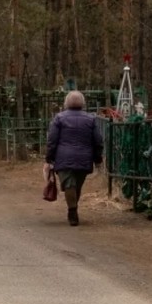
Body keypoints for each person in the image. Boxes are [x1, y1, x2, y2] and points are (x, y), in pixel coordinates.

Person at [45, 90, 104, 226]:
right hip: (84, 157)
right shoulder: (90, 119)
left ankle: (72, 211)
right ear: (83, 103)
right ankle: (73, 209)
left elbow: (52, 140)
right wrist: (97, 157)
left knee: (69, 184)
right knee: (77, 184)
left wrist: (49, 157)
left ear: (66, 103)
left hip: (64, 157)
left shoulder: (59, 118)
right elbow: (98, 140)